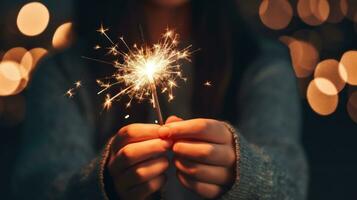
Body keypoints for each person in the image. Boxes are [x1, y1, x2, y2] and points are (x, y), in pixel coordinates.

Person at [12, 0, 308, 199]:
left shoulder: (261, 64)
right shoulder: (63, 73)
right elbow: (36, 188)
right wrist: (104, 182)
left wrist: (242, 171)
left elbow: (292, 185)